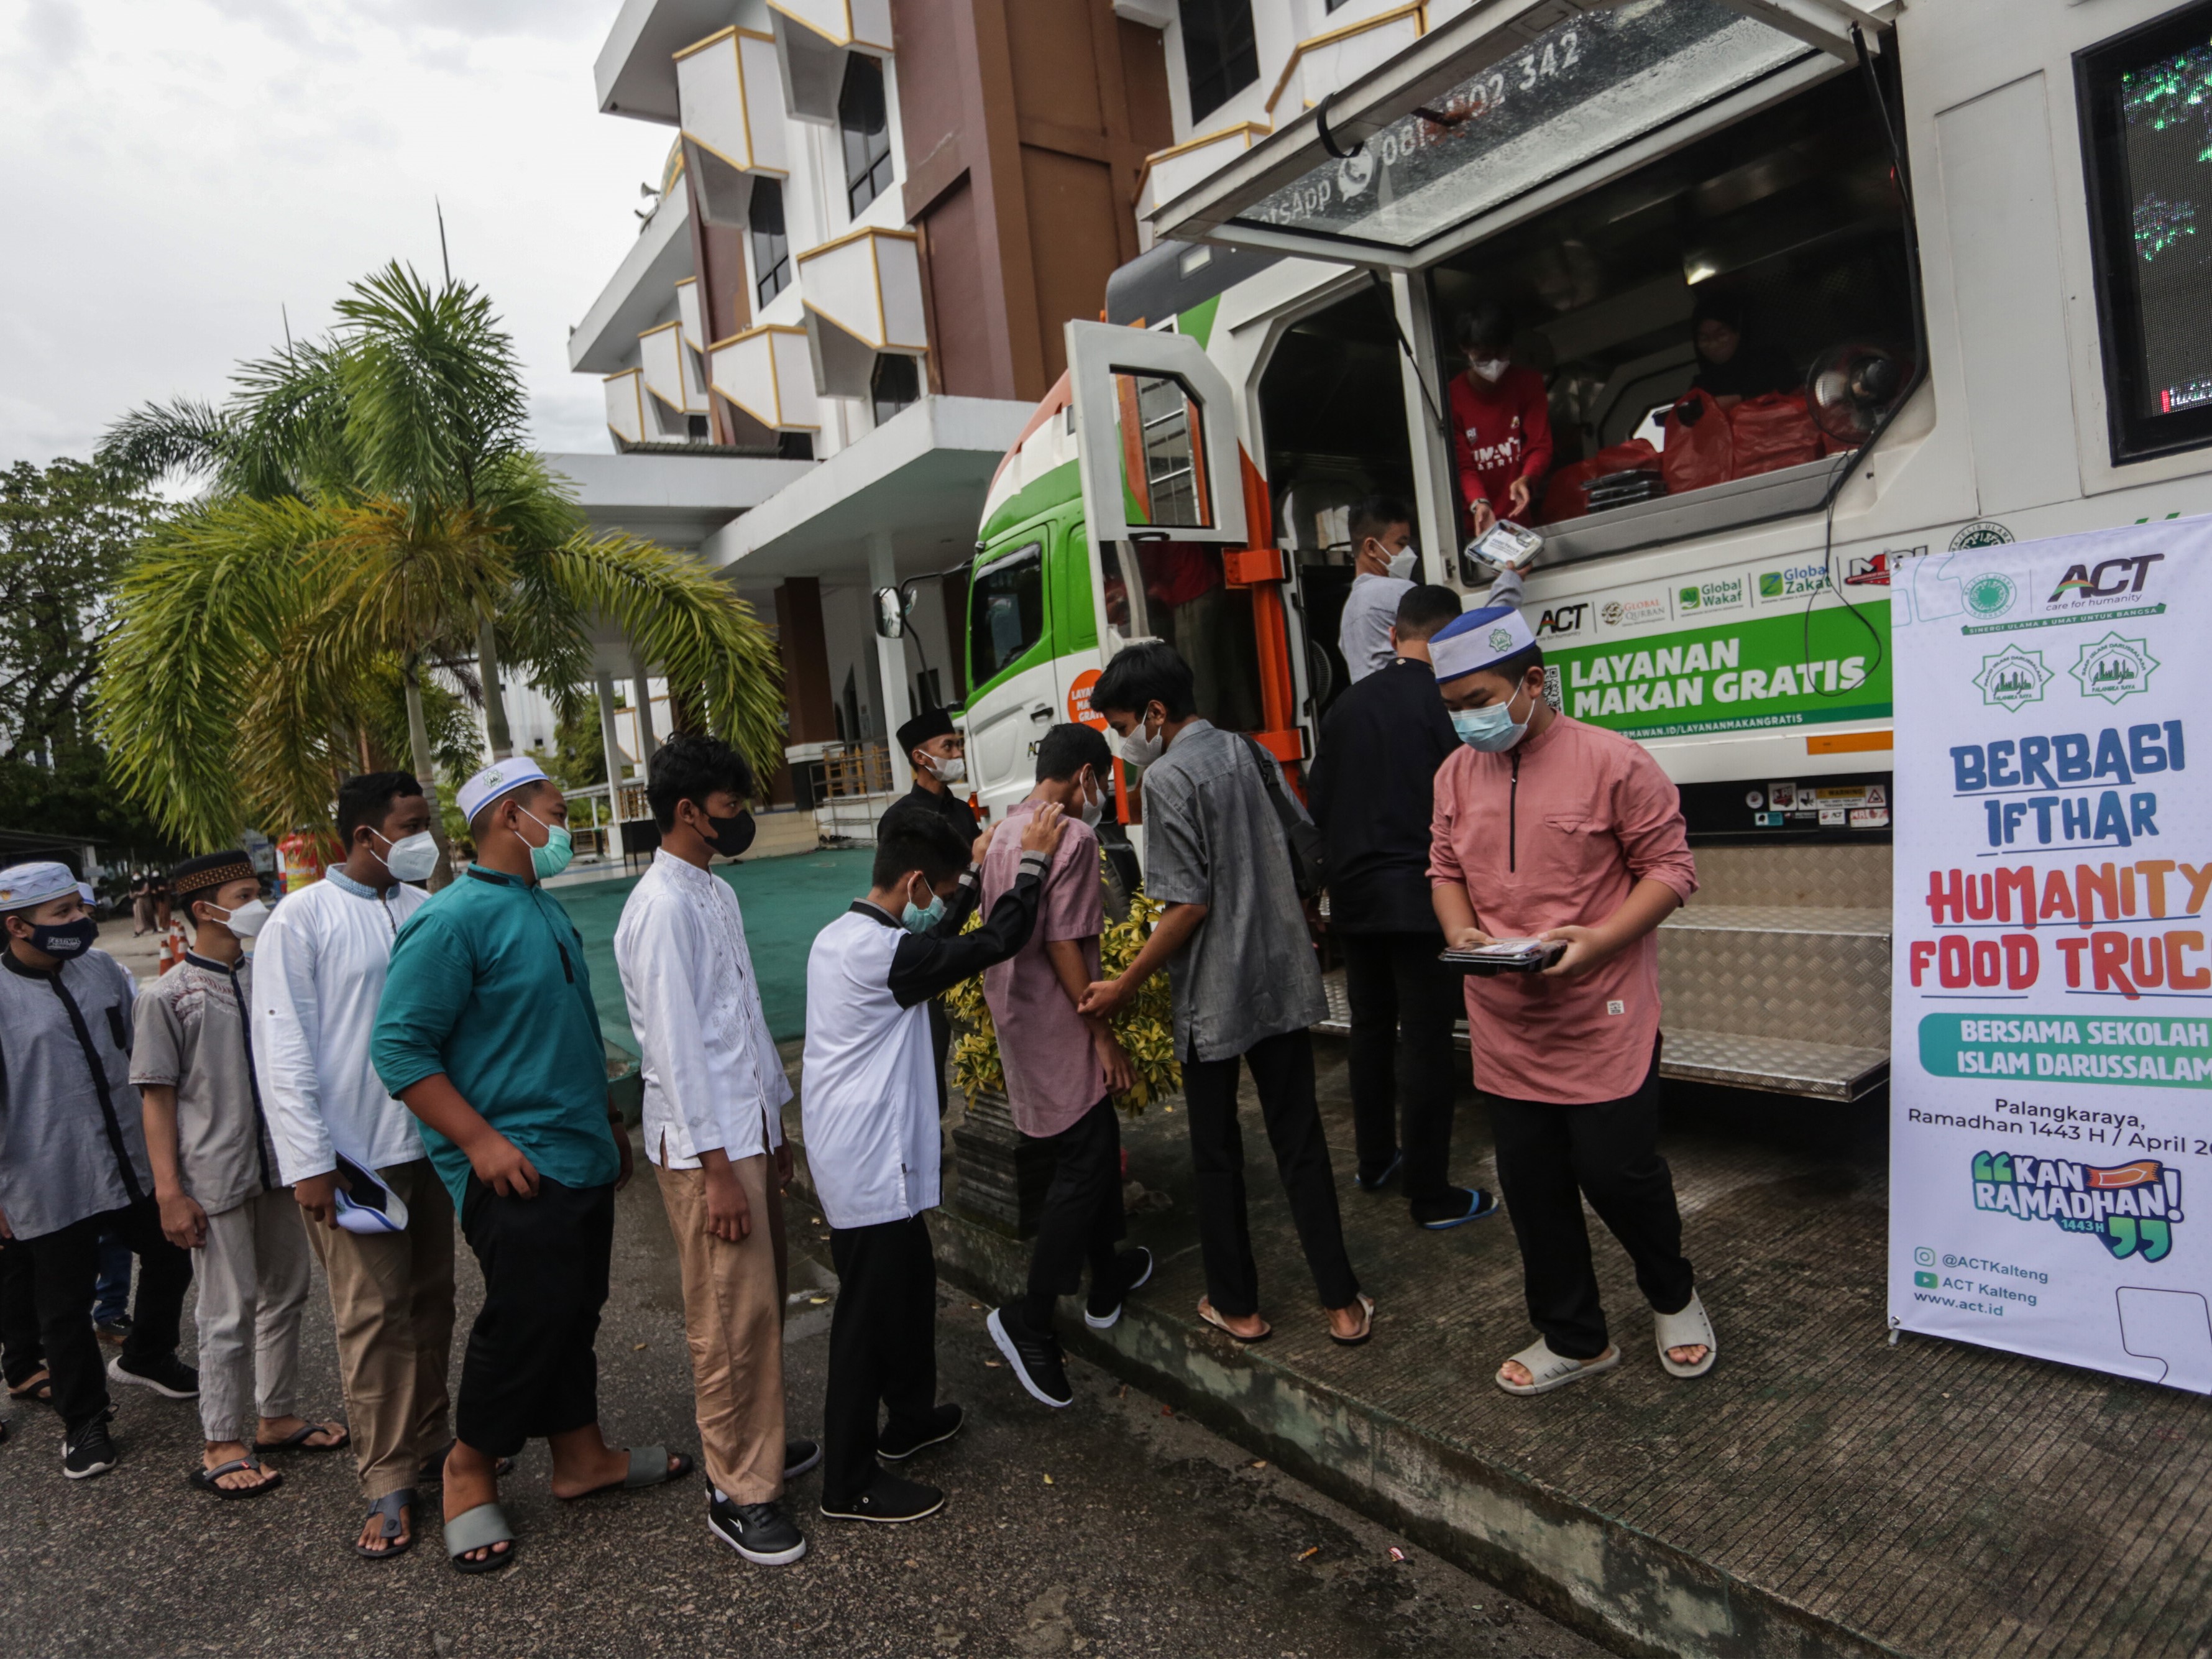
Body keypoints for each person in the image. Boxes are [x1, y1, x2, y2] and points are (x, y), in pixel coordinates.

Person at [372, 758, 694, 1574]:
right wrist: (479, 1142)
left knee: (573, 1309)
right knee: (524, 1318)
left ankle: (581, 1456)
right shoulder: (452, 920)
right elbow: (399, 1048)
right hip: (512, 1165)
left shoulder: (539, 909)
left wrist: (609, 1122)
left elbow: (568, 1031)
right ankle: (466, 1469)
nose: (568, 822)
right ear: (513, 817)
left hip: (576, 1147)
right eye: (556, 807)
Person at [1425, 605, 1716, 1395]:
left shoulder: (1615, 761)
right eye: (1451, 708)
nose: (1466, 720)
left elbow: (1670, 870)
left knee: (1617, 1174)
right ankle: (1575, 1335)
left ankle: (1672, 1293)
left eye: (1478, 699)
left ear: (1532, 680)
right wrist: (1463, 931)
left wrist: (1599, 940)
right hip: (1505, 1017)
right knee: (1532, 1184)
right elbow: (1444, 867)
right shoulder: (1453, 774)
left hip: (1604, 1011)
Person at [1078, 645, 1370, 1346]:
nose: (1125, 743)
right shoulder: (1246, 751)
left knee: (1217, 1152)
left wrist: (1124, 982)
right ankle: (1342, 1305)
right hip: (1278, 978)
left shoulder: (1168, 780)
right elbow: (1305, 842)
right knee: (1300, 1142)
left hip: (1213, 995)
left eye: (1124, 725)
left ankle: (1238, 1305)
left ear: (1155, 712)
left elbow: (1187, 904)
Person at [802, 803, 1067, 1522]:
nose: (943, 907)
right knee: (864, 1318)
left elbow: (941, 942)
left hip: (862, 1151)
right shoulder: (879, 954)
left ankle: (910, 1417)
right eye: (942, 892)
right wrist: (1034, 862)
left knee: (910, 1284)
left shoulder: (846, 935)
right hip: (868, 1161)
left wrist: (976, 873)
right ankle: (847, 1482)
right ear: (916, 882)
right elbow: (996, 940)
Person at [614, 734, 810, 1568]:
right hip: (708, 1150)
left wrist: (777, 1123)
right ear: (688, 811)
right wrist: (720, 1166)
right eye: (731, 805)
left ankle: (755, 1445)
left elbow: (740, 1019)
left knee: (760, 1302)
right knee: (727, 1319)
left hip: (745, 1132)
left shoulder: (709, 892)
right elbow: (676, 1050)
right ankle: (739, 1489)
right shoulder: (660, 906)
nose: (743, 818)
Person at [257, 770, 457, 1559]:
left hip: (429, 1146)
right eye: (410, 824)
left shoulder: (425, 909)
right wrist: (309, 1159)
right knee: (372, 1317)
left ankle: (436, 1442)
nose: (423, 837)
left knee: (433, 1300)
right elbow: (283, 1045)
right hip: (353, 1159)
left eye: (425, 822)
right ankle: (387, 1477)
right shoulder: (300, 920)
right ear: (364, 834)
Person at [136, 853, 345, 1499]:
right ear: (206, 908)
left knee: (288, 1292)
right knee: (226, 1312)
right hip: (215, 1176)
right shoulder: (167, 996)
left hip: (282, 1166)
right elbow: (157, 1096)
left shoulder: (267, 979)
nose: (262, 902)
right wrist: (170, 1191)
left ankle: (276, 1414)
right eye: (248, 893)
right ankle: (221, 1438)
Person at [0, 862, 196, 1479]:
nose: (79, 922)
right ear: (17, 925)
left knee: (173, 1252)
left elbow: (141, 1047)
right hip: (47, 1174)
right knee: (64, 1304)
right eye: (61, 915)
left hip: (132, 1161)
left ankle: (147, 1353)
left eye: (78, 909)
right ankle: (83, 1420)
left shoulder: (104, 971)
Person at [976, 725, 1151, 1410]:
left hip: (1019, 1011)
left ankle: (1107, 1276)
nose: (1101, 795)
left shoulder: (1002, 832)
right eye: (1100, 781)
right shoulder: (1071, 838)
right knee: (1085, 1160)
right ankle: (1031, 1313)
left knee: (1090, 1142)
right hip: (1060, 1012)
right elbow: (1062, 940)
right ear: (1083, 775)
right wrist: (1101, 1033)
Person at [1310, 586, 1495, 1229]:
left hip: (1355, 896)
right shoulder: (1449, 705)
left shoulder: (1345, 707)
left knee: (1368, 1027)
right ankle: (1430, 1192)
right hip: (1423, 895)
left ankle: (1372, 1158)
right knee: (1424, 1040)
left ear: (1393, 635)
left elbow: (1320, 803)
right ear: (1450, 638)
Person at [894, 707, 980, 1120]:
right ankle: (930, 1135)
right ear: (920, 757)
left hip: (974, 941)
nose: (957, 752)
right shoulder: (901, 818)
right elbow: (901, 893)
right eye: (948, 745)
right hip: (929, 945)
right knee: (929, 1051)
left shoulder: (963, 812)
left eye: (958, 744)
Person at [1449, 303, 1554, 538]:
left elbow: (1540, 445)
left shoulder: (1528, 384)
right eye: (1485, 356)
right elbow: (1463, 466)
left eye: (1501, 353)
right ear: (1465, 349)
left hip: (1521, 523)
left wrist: (1527, 478)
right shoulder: (1452, 397)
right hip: (1477, 526)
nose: (1495, 363)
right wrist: (1479, 502)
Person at [1334, 495, 1420, 686]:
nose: (1409, 554)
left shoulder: (1348, 612)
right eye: (1401, 544)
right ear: (1371, 547)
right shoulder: (1400, 591)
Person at [1688, 294, 1793, 408]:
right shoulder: (1700, 390)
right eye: (1704, 339)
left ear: (1738, 333)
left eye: (1721, 335)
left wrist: (1739, 400)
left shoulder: (1774, 362)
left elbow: (1794, 400)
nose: (1713, 344)